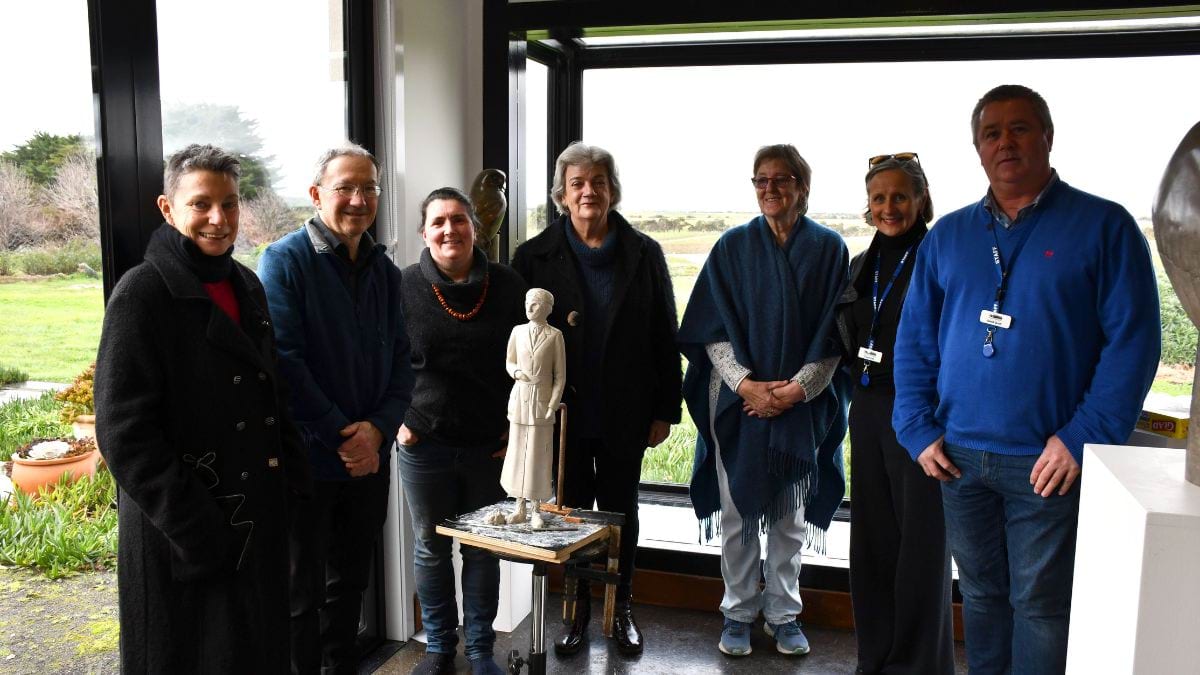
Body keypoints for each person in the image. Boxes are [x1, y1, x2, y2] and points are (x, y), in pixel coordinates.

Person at [893, 84, 1160, 673]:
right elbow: (914, 340)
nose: (1005, 142)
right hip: (958, 456)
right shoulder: (949, 236)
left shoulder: (1104, 226)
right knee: (982, 597)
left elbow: (1133, 345)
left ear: (1047, 136)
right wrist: (916, 425)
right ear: (978, 149)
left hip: (1047, 460)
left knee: (1040, 606)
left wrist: (1083, 436)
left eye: (1019, 128)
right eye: (991, 133)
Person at [95, 143, 311, 673]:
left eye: (231, 203)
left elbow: (269, 393)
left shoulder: (246, 284)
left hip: (253, 523)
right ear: (168, 208)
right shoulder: (141, 294)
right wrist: (200, 529)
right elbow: (124, 433)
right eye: (201, 204)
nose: (219, 219)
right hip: (186, 538)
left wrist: (293, 483)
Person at [511, 141, 682, 657]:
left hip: (626, 409)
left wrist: (664, 410)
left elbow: (663, 334)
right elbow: (514, 339)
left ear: (613, 191)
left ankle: (621, 607)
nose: (589, 192)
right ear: (562, 195)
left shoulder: (644, 253)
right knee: (569, 512)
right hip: (559, 414)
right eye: (578, 183)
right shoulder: (532, 256)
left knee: (620, 512)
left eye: (599, 182)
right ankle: (577, 609)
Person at [679, 143, 849, 658]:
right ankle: (736, 613)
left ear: (802, 185)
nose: (769, 189)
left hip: (802, 402)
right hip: (738, 403)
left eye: (781, 179)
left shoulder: (829, 249)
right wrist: (744, 384)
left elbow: (836, 332)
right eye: (760, 180)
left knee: (789, 515)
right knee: (737, 513)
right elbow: (711, 328)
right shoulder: (732, 247)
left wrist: (800, 388)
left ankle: (783, 613)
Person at [257, 144, 414, 675]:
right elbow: (284, 361)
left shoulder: (385, 271)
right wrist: (343, 436)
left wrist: (377, 433)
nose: (357, 199)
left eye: (368, 188)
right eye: (345, 187)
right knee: (302, 596)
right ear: (316, 193)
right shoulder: (284, 261)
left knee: (352, 583)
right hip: (308, 462)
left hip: (369, 462)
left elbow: (402, 364)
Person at [397, 187, 528, 675]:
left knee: (481, 548)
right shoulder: (404, 285)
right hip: (424, 445)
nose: (448, 230)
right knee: (431, 546)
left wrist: (516, 432)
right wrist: (402, 423)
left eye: (458, 220)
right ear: (423, 233)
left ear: (476, 227)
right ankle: (438, 647)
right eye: (438, 222)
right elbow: (384, 360)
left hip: (488, 447)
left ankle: (479, 651)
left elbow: (527, 371)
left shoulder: (510, 285)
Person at [836, 153, 953, 673]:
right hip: (867, 410)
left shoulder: (940, 258)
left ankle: (917, 665)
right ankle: (875, 657)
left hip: (922, 417)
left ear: (921, 199)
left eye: (900, 197)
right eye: (879, 198)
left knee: (922, 549)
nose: (889, 207)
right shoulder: (862, 266)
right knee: (873, 544)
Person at [499, 288, 567, 524]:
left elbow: (560, 376)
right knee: (518, 452)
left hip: (541, 402)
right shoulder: (517, 332)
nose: (530, 308)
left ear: (548, 308)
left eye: (536, 304)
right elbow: (509, 360)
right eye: (528, 302)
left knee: (539, 454)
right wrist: (516, 371)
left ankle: (536, 508)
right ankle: (519, 507)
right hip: (520, 399)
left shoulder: (555, 335)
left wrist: (553, 404)